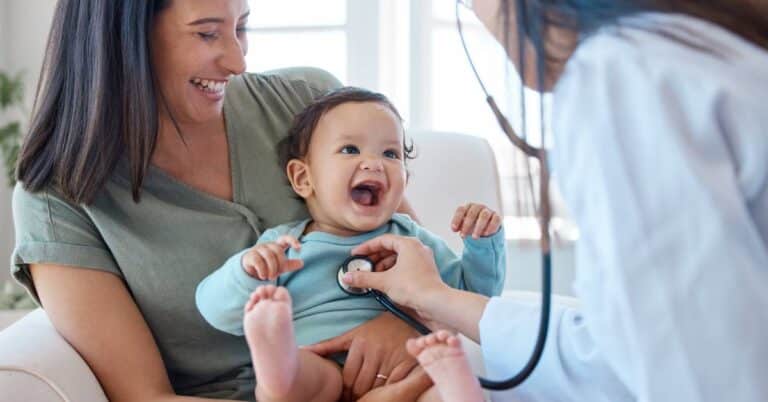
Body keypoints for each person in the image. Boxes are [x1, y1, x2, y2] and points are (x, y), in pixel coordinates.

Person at [339, 1, 768, 401]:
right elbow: (624, 352)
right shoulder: (698, 52)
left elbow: (695, 379)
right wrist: (432, 296)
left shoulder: (622, 75)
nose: (486, 26)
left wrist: (442, 286)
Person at [10, 1, 430, 401]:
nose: (238, 62)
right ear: (125, 39)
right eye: (208, 33)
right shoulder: (56, 200)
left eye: (241, 27)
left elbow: (424, 262)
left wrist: (404, 325)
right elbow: (146, 397)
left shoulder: (311, 102)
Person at [195, 87, 506, 402]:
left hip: (406, 368)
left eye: (390, 154)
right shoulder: (285, 246)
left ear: (405, 181)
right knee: (300, 377)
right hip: (318, 363)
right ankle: (275, 355)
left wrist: (481, 243)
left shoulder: (411, 241)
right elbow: (214, 309)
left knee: (435, 392)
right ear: (303, 178)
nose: (373, 163)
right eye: (350, 149)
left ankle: (457, 389)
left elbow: (468, 299)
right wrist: (249, 271)